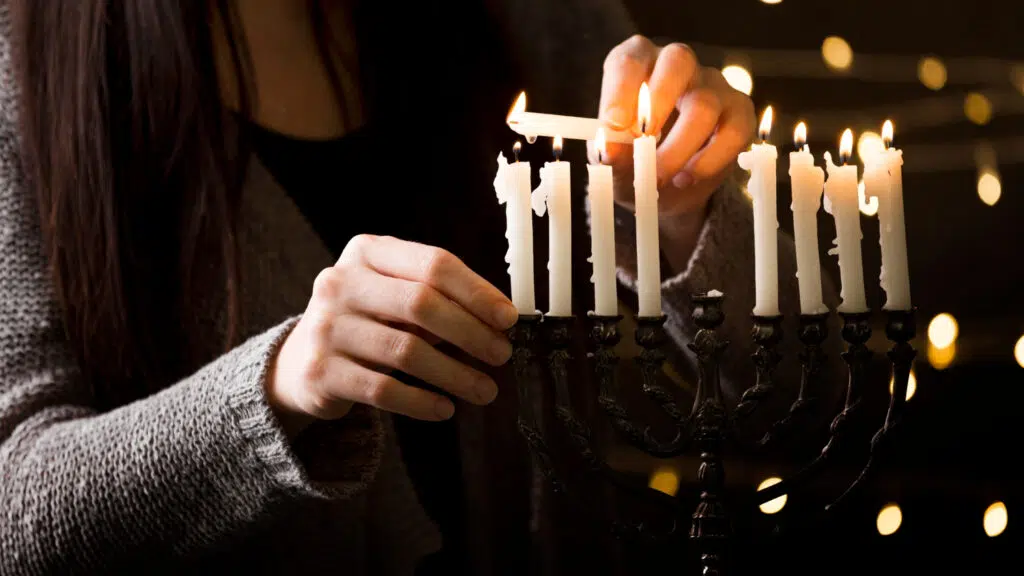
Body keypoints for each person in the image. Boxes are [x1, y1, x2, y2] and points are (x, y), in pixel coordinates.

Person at [0, 0, 836, 574]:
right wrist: (279, 387)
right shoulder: (25, 67)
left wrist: (687, 219)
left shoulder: (524, 14)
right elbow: (15, 511)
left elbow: (799, 384)